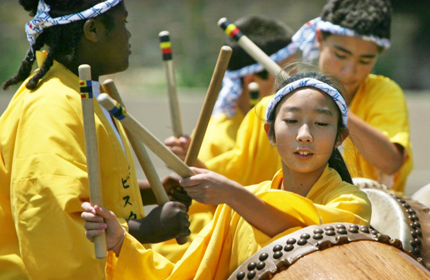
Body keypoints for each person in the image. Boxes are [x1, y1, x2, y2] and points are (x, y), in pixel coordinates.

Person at [82, 70, 371, 279]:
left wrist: (232, 194)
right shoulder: (237, 209)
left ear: (340, 137)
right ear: (270, 132)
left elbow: (305, 233)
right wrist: (121, 242)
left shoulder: (351, 203)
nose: (305, 135)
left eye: (321, 123)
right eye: (292, 121)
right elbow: (191, 274)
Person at [0, 1, 188, 279]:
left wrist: (150, 191)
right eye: (123, 22)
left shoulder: (79, 94)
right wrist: (143, 230)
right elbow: (53, 218)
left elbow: (84, 186)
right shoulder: (51, 107)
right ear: (93, 29)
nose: (129, 34)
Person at [190, 0, 412, 193]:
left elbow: (391, 163)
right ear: (319, 39)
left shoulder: (384, 92)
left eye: (365, 61)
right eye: (340, 55)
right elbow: (241, 175)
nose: (349, 71)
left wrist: (334, 104)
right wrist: (191, 162)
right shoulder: (276, 106)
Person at [155, 15, 296, 263]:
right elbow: (218, 194)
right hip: (204, 244)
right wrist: (198, 165)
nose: (294, 84)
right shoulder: (222, 131)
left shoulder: (263, 121)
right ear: (253, 80)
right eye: (286, 74)